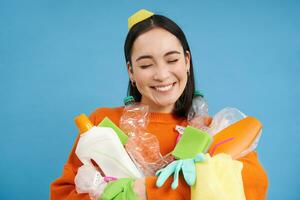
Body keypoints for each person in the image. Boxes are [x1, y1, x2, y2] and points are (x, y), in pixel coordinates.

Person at [50, 9, 268, 199]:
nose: (162, 75)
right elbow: (63, 194)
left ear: (187, 62)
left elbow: (253, 186)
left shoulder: (213, 131)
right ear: (131, 72)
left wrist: (147, 191)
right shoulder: (103, 126)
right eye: (146, 65)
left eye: (172, 60)